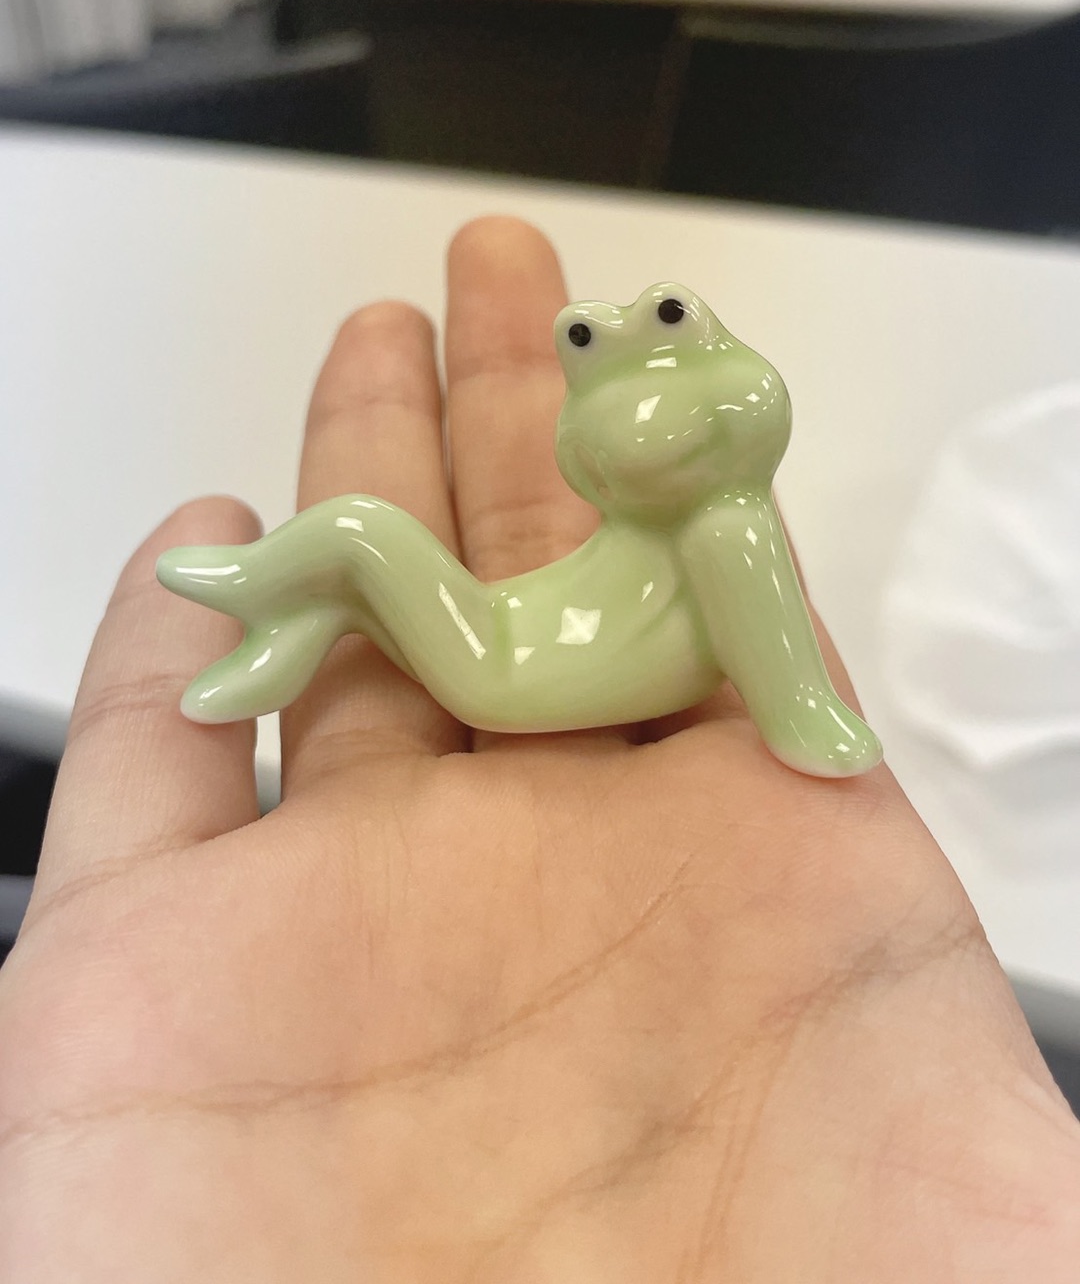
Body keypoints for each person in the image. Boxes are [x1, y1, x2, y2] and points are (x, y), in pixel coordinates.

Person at [1, 218, 1077, 1281]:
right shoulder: (710, 526)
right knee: (363, 554)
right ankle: (287, 631)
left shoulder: (726, 530)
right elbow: (767, 660)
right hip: (505, 650)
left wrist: (814, 726)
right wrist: (807, 724)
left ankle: (269, 608)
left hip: (504, 668)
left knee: (362, 534)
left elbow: (779, 663)